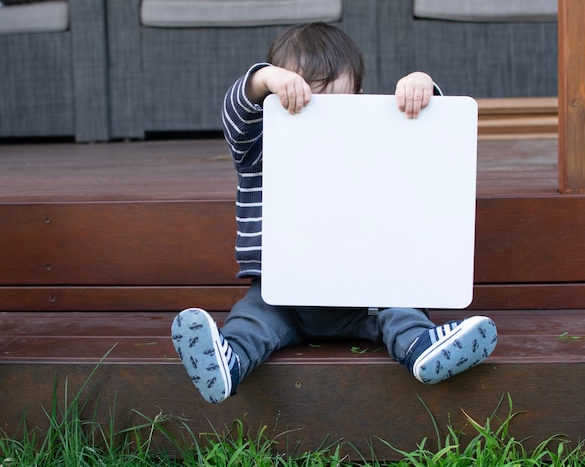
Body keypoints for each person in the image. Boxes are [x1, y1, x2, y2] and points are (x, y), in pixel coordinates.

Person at [171, 22, 497, 404]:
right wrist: (262, 78)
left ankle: (422, 348)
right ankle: (230, 361)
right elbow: (237, 115)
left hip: (370, 294)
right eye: (303, 103)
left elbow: (423, 146)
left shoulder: (372, 145)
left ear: (358, 97)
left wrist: (424, 90)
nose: (319, 116)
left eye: (336, 103)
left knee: (403, 309)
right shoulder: (261, 147)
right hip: (283, 297)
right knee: (252, 320)